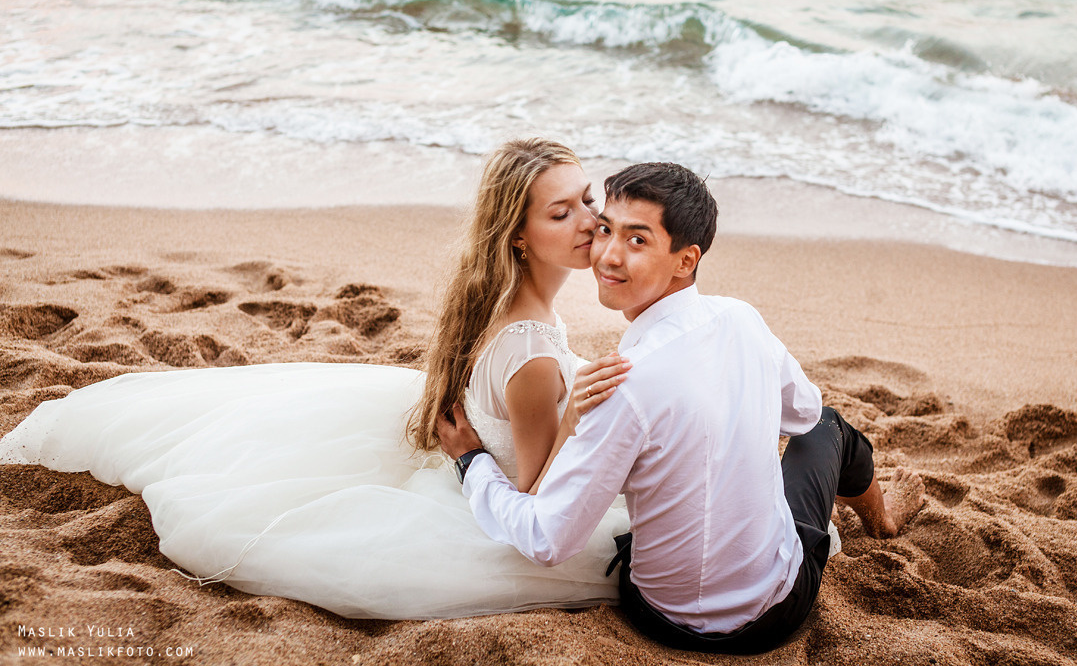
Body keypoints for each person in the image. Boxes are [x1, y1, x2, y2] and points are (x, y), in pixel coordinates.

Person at [0, 138, 632, 619]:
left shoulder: (502, 304)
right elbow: (529, 498)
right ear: (518, 237)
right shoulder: (534, 352)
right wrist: (573, 415)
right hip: (484, 497)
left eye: (587, 199)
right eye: (561, 213)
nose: (589, 220)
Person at [438, 161, 926, 653]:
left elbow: (546, 539)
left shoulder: (622, 383)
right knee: (828, 426)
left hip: (658, 615)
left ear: (685, 260)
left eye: (637, 240)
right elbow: (802, 415)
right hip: (777, 614)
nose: (607, 254)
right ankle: (881, 517)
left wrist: (471, 463)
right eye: (606, 229)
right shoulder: (739, 320)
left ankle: (880, 518)